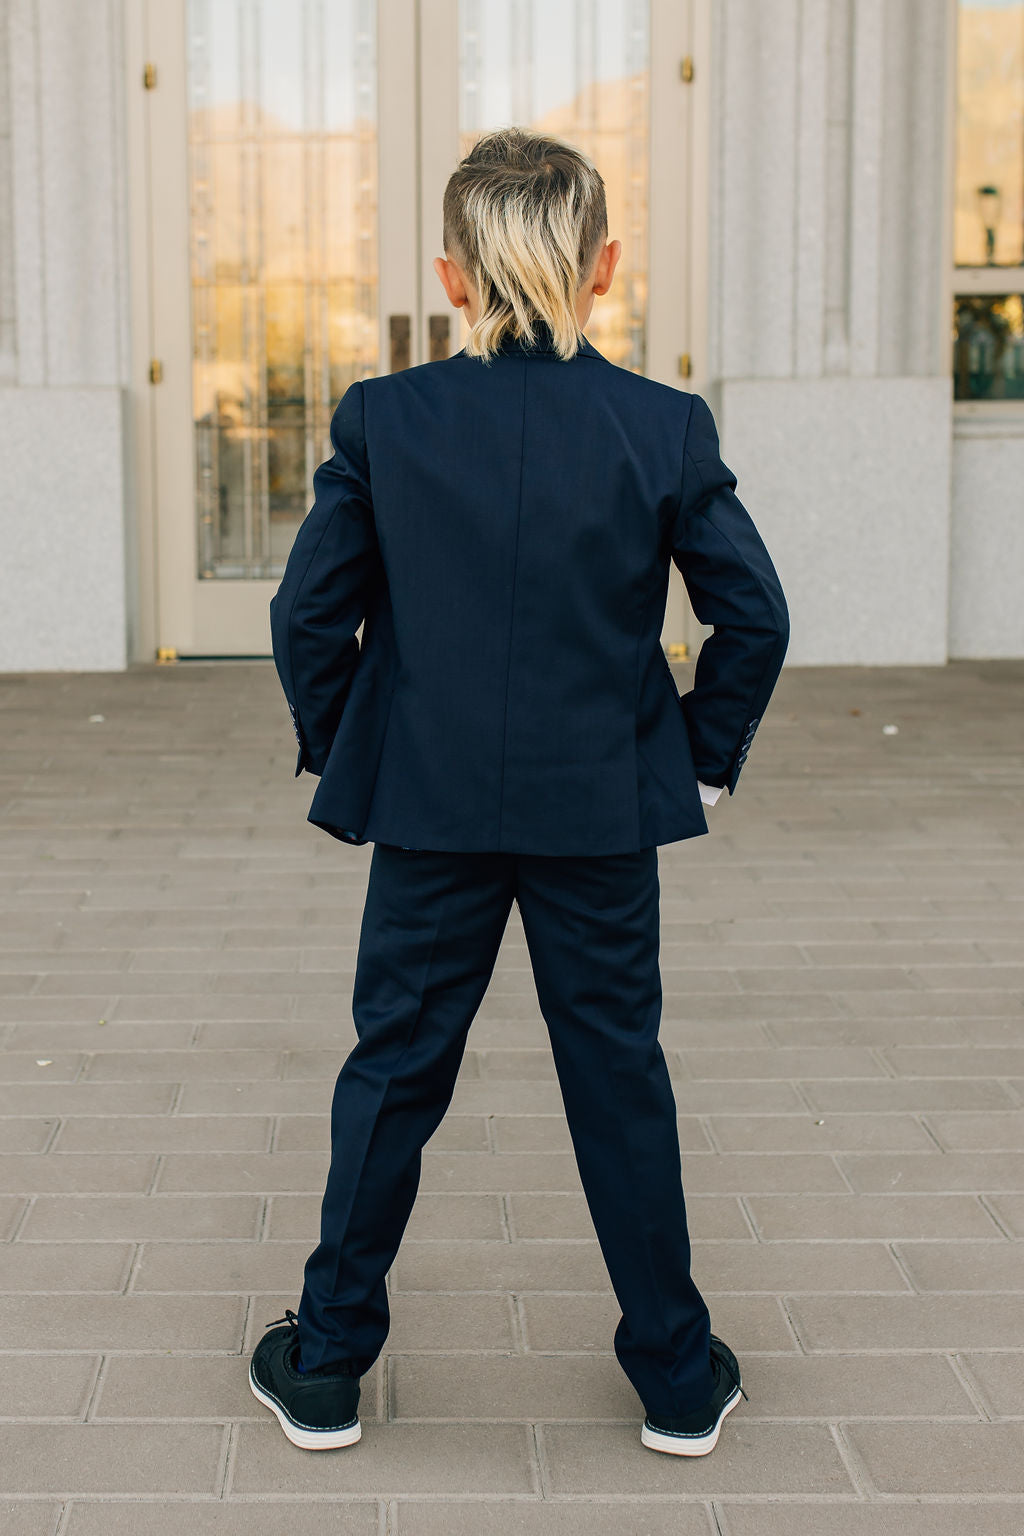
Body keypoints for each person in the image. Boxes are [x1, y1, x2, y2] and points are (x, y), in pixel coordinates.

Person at [250, 127, 789, 1458]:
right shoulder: (663, 427)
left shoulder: (386, 419)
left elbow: (306, 617)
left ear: (451, 275)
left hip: (430, 811)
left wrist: (352, 746)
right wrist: (701, 761)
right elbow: (755, 620)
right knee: (619, 1076)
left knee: (395, 1070)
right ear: (603, 267)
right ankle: (675, 1376)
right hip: (600, 811)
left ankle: (324, 1366)